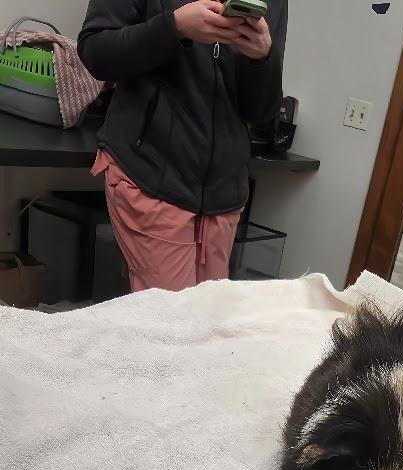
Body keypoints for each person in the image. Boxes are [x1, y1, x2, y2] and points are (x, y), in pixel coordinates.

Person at [78, 0, 287, 292]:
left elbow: (261, 112)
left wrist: (263, 58)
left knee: (207, 317)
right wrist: (175, 28)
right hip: (150, 176)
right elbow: (96, 52)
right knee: (172, 319)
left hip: (224, 195)